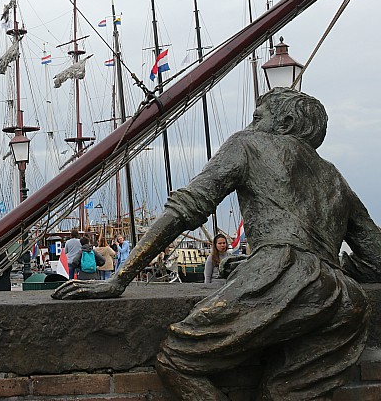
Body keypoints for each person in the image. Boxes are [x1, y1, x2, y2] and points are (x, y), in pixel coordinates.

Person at [53, 88, 381, 400]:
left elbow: (187, 208)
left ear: (286, 124)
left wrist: (119, 279)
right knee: (282, 392)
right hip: (344, 301)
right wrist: (322, 270)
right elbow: (375, 259)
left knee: (176, 358)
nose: (251, 125)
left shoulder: (250, 144)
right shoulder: (335, 179)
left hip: (283, 278)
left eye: (257, 117)